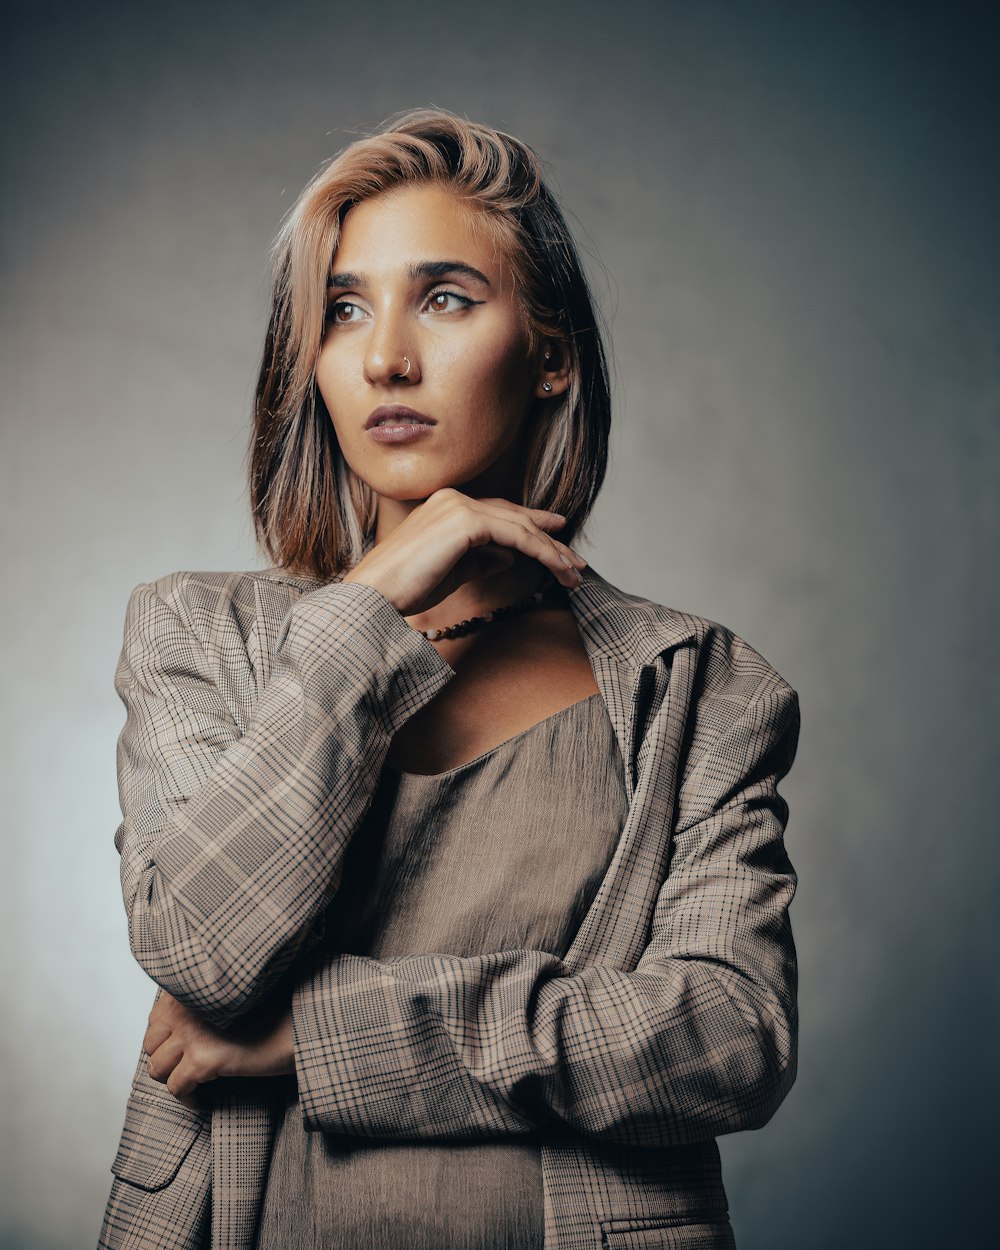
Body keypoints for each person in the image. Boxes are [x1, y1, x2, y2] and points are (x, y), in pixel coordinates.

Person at [97, 109, 801, 1250]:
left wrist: (332, 1033)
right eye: (343, 308)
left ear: (552, 350)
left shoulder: (699, 689)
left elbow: (730, 1036)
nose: (385, 356)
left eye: (445, 298)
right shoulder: (197, 632)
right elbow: (200, 953)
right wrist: (365, 611)